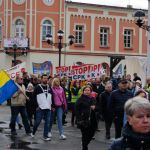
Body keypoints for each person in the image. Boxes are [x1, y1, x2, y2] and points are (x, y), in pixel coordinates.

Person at [31, 74, 54, 141]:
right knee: (37, 121)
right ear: (41, 79)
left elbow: (51, 97)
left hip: (48, 108)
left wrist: (52, 106)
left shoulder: (49, 87)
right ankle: (33, 132)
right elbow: (33, 97)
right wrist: (36, 106)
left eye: (46, 78)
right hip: (40, 108)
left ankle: (45, 136)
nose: (45, 79)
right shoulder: (38, 87)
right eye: (44, 78)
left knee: (47, 122)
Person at [75, 85, 97, 150]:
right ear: (83, 91)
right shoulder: (80, 99)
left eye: (88, 90)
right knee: (85, 135)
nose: (87, 92)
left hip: (92, 119)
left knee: (92, 134)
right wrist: (79, 118)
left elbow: (98, 107)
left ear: (90, 91)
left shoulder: (93, 99)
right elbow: (76, 109)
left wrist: (95, 107)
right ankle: (85, 147)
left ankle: (85, 143)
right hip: (83, 119)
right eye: (85, 90)